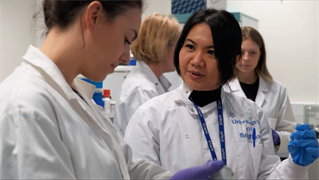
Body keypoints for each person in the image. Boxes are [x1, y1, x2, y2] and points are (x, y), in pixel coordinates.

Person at [0, 1, 227, 179]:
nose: (125, 56)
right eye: (127, 39)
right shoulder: (27, 108)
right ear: (94, 17)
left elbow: (124, 167)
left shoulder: (76, 97)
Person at [124, 8, 319, 179]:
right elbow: (134, 175)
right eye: (190, 47)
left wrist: (295, 166)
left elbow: (267, 175)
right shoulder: (149, 117)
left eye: (212, 52)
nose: (197, 60)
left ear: (233, 60)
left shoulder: (252, 115)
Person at [223, 26, 296, 155]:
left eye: (252, 52)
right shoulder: (222, 88)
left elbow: (291, 134)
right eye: (241, 52)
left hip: (268, 167)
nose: (246, 58)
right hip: (233, 164)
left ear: (260, 53)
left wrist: (278, 138)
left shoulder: (277, 90)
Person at [114, 13, 181, 137]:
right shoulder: (141, 90)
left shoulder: (151, 83)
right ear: (162, 47)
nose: (180, 54)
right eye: (177, 47)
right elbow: (148, 140)